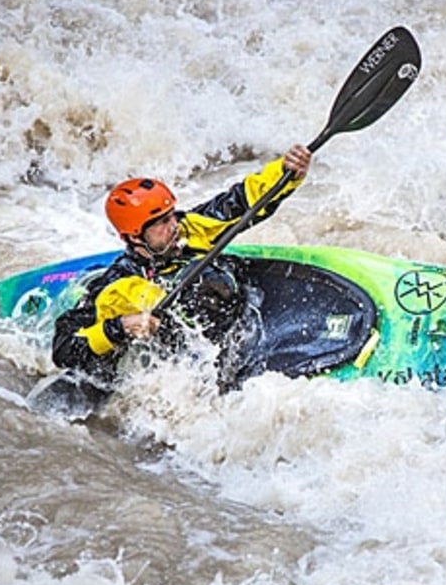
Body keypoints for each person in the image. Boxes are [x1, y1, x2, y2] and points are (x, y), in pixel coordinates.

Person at [51, 144, 312, 396]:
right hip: (193, 369)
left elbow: (241, 201)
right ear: (135, 237)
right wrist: (119, 328)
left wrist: (286, 172)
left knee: (211, 279)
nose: (174, 225)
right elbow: (63, 347)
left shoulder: (189, 228)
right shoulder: (118, 286)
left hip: (241, 331)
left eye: (172, 215)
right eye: (162, 223)